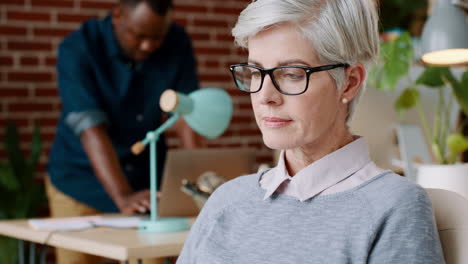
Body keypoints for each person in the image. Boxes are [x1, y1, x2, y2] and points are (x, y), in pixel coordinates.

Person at [177, 0, 444, 263]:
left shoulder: (394, 206)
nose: (265, 96)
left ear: (349, 83)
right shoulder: (226, 200)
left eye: (292, 73)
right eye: (256, 72)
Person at [46, 0, 200, 263]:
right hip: (79, 179)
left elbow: (186, 114)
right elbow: (90, 127)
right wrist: (123, 195)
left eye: (157, 37)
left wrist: (196, 184)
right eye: (139, 36)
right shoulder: (79, 47)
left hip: (146, 185)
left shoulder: (177, 42)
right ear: (117, 15)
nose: (148, 46)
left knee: (152, 257)